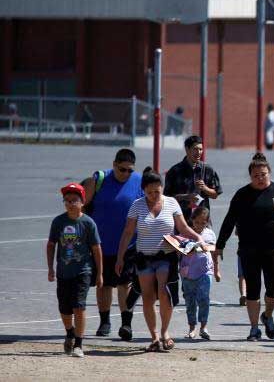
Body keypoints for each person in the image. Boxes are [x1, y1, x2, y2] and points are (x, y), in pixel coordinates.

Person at [115, 168, 204, 352]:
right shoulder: (137, 205)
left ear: (162, 187)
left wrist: (198, 238)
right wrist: (120, 258)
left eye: (157, 191)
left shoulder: (171, 203)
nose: (154, 195)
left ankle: (165, 332)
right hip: (144, 258)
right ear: (143, 190)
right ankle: (154, 336)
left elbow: (183, 227)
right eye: (149, 192)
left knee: (165, 293)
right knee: (147, 296)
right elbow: (127, 233)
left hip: (166, 256)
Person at [216, 154, 274, 341]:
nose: (260, 178)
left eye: (263, 174)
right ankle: (254, 328)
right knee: (252, 291)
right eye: (256, 176)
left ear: (269, 173)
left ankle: (267, 315)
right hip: (249, 250)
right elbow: (229, 220)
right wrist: (219, 245)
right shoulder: (242, 194)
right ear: (250, 176)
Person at [83, 148, 143, 341]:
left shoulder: (139, 181)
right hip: (101, 243)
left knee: (125, 284)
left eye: (129, 170)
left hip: (128, 244)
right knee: (104, 284)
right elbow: (83, 205)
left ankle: (126, 323)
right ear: (114, 165)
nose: (125, 174)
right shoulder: (99, 179)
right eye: (122, 169)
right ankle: (104, 321)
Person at [47, 183, 103, 358]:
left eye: (74, 200)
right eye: (67, 201)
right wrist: (50, 268)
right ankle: (69, 332)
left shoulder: (88, 223)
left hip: (83, 271)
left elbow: (96, 248)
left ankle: (79, 344)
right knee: (64, 308)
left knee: (79, 306)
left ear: (82, 201)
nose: (71, 203)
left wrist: (99, 273)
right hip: (63, 272)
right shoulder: (59, 222)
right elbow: (51, 245)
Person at [180, 206, 219, 340]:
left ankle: (203, 327)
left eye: (203, 223)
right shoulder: (186, 233)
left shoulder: (210, 234)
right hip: (188, 272)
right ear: (192, 220)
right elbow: (178, 249)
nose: (200, 226)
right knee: (190, 301)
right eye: (197, 222)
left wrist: (217, 271)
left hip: (205, 271)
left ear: (207, 222)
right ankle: (192, 327)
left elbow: (214, 253)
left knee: (204, 299)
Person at [164, 135, 223, 222]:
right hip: (181, 222)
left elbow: (215, 194)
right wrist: (186, 197)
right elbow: (166, 199)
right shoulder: (174, 171)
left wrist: (205, 188)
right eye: (195, 149)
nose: (199, 152)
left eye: (201, 149)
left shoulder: (207, 169)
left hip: (202, 223)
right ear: (187, 150)